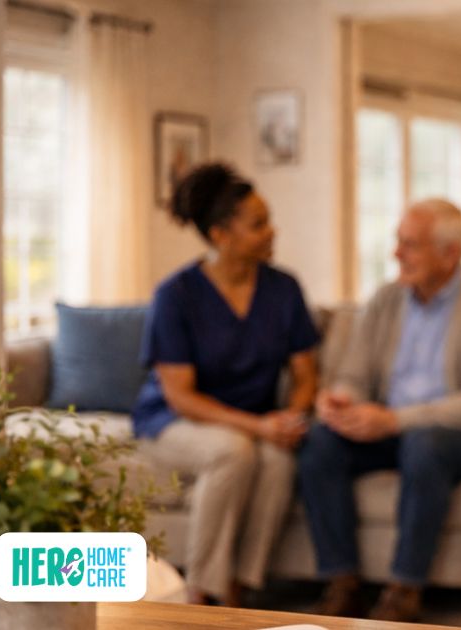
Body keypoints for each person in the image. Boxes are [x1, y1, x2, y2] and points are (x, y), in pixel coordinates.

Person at [297, 198, 461, 622]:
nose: (396, 254)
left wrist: (393, 421)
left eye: (410, 244)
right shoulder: (385, 299)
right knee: (321, 442)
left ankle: (404, 590)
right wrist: (341, 399)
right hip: (392, 426)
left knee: (425, 445)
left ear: (450, 253)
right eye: (398, 242)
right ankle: (342, 582)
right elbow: (354, 374)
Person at [131, 163, 320, 607]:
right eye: (258, 224)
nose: (272, 232)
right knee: (234, 451)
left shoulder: (284, 288)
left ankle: (238, 587)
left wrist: (291, 417)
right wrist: (258, 428)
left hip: (252, 421)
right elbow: (180, 395)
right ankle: (200, 592)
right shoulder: (175, 295)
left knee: (276, 457)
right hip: (174, 419)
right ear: (220, 235)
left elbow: (306, 374)